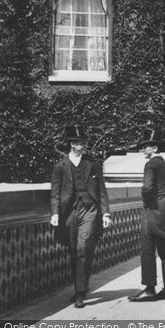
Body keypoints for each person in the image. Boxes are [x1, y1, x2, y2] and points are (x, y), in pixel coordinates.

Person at [49, 124, 111, 308]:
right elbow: (55, 193)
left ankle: (80, 293)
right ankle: (79, 288)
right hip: (69, 212)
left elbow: (101, 189)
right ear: (72, 144)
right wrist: (54, 213)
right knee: (74, 249)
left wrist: (106, 212)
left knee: (83, 247)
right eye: (79, 143)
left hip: (89, 210)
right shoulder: (60, 166)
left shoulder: (92, 164)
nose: (83, 145)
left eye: (84, 142)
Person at [129, 128, 165, 302]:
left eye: (147, 146)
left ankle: (150, 289)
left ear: (155, 149)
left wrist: (147, 202)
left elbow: (147, 188)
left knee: (148, 250)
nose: (144, 149)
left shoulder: (150, 165)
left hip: (152, 212)